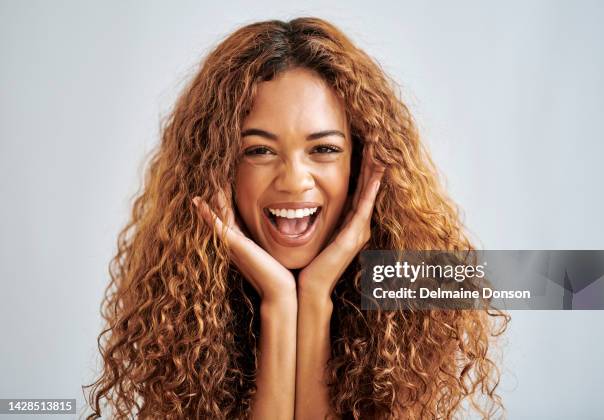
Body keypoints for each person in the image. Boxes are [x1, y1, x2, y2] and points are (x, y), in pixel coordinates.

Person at [83, 17, 508, 419]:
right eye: (259, 151)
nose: (293, 181)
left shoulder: (417, 282)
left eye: (323, 149)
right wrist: (281, 304)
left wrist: (316, 295)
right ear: (219, 169)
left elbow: (573, 283)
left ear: (359, 164)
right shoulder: (180, 299)